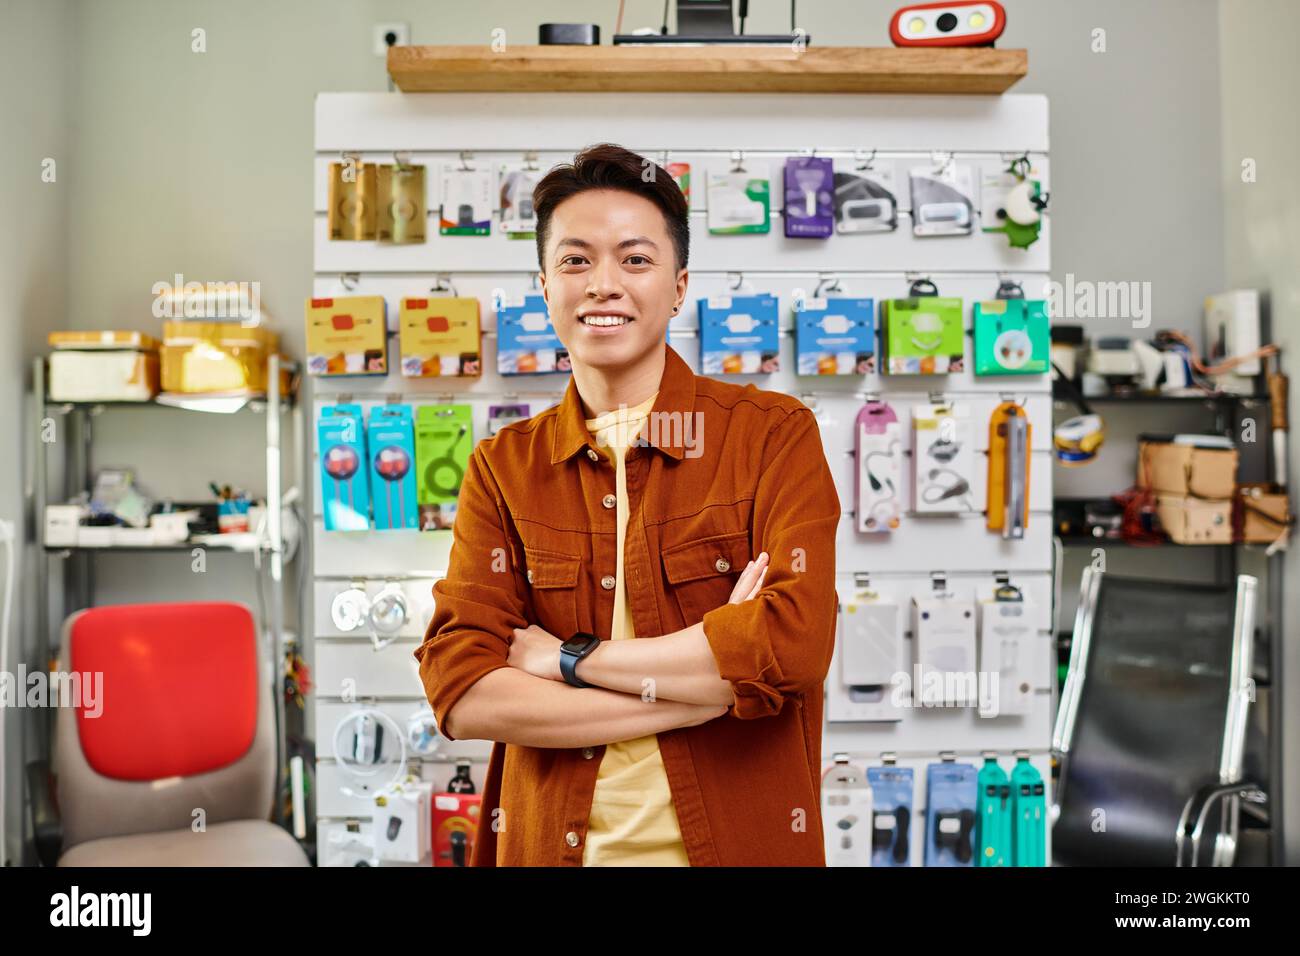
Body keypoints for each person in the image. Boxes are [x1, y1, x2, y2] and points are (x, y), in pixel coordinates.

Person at [414, 143, 841, 866]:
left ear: (679, 286)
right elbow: (463, 689)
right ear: (544, 284)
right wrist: (705, 691)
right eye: (577, 261)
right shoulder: (504, 466)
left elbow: (793, 645)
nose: (603, 284)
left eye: (635, 260)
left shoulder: (770, 435)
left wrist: (569, 659)